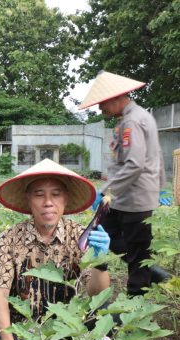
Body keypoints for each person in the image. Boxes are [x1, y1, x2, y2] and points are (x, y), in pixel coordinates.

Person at [0, 159, 111, 340]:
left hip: (70, 325)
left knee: (106, 311)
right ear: (28, 200)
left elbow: (96, 294)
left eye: (55, 194)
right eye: (39, 194)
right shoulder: (9, 238)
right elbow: (0, 294)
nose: (48, 202)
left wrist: (101, 263)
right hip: (27, 329)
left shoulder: (80, 236)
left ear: (65, 199)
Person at [79, 71, 169, 296]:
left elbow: (134, 164)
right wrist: (158, 187)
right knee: (103, 235)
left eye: (102, 104)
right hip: (125, 197)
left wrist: (107, 192)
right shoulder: (133, 118)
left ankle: (136, 300)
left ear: (114, 97)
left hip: (133, 198)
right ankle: (145, 268)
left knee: (137, 250)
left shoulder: (132, 121)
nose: (101, 110)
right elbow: (153, 155)